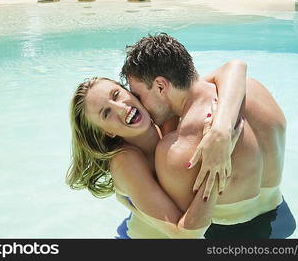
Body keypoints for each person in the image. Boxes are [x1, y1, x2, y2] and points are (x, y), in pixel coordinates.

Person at [120, 33, 296, 239]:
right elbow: (231, 69)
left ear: (160, 86)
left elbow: (177, 227)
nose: (140, 104)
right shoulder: (251, 88)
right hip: (281, 220)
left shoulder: (177, 148)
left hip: (227, 236)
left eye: (139, 95)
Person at [66, 59, 247, 238]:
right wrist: (218, 160)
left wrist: (222, 128)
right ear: (108, 132)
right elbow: (186, 235)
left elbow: (235, 68)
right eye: (106, 113)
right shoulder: (125, 162)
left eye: (116, 95)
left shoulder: (165, 114)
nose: (121, 108)